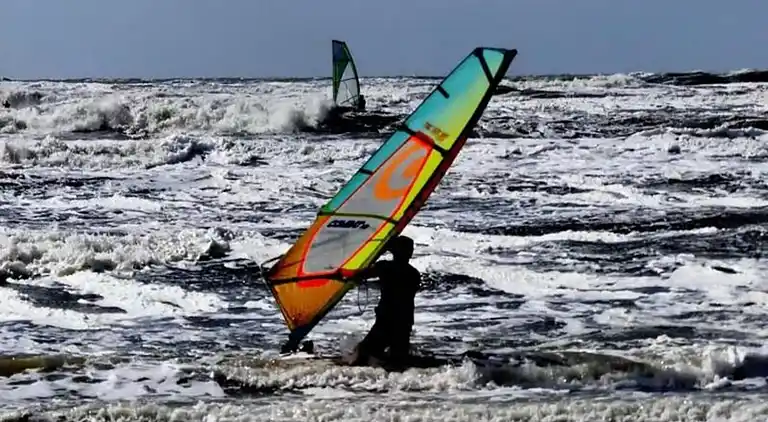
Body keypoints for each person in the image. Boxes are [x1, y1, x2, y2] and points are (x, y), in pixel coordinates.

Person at [346, 235, 421, 367]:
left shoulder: (385, 267)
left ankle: (353, 377)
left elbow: (360, 274)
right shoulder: (414, 274)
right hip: (404, 322)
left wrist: (381, 250)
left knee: (362, 352)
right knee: (398, 361)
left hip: (386, 321)